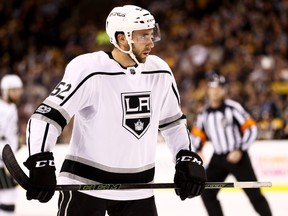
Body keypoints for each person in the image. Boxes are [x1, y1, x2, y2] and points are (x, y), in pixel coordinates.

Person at [23, 5, 206, 216]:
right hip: (86, 186)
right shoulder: (89, 69)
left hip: (139, 188)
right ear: (121, 39)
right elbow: (46, 117)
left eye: (151, 34)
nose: (151, 42)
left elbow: (173, 123)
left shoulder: (160, 71)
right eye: (143, 36)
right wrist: (40, 160)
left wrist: (185, 157)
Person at [191, 73, 272, 216]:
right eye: (212, 87)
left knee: (254, 194)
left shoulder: (233, 108)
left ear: (224, 90)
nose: (215, 91)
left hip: (238, 157)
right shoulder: (204, 114)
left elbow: (251, 128)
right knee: (207, 192)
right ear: (208, 90)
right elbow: (197, 134)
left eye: (218, 87)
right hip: (218, 159)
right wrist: (197, 150)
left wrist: (240, 149)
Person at [0, 74, 23, 216]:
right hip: (2, 160)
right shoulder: (2, 109)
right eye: (14, 89)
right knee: (9, 196)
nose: (18, 92)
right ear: (6, 90)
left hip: (5, 158)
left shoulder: (10, 107)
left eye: (19, 89)